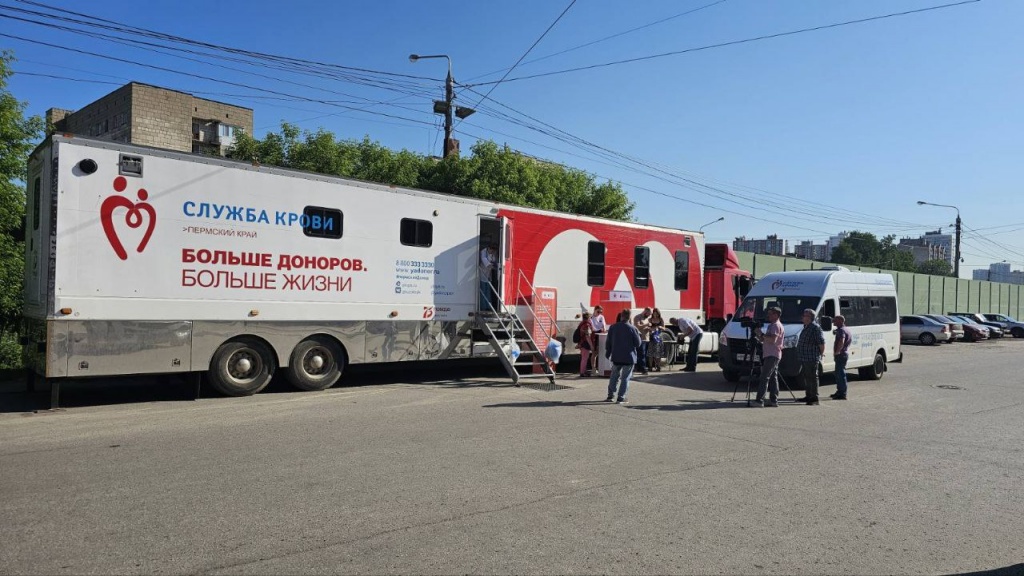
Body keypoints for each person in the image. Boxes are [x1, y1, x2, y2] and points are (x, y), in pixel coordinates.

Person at [605, 310, 641, 404]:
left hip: (616, 356)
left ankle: (610, 396)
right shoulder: (633, 328)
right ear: (629, 317)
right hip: (628, 357)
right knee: (625, 378)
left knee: (614, 376)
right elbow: (638, 343)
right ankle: (621, 397)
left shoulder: (613, 327)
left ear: (621, 316)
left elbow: (608, 342)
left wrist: (608, 353)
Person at [752, 306, 785, 407]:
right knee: (772, 377)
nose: (768, 315)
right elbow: (765, 340)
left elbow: (772, 340)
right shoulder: (772, 325)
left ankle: (759, 400)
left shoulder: (775, 325)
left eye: (770, 314)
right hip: (772, 354)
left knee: (764, 377)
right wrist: (758, 334)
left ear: (776, 315)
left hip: (772, 354)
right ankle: (773, 400)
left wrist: (761, 334)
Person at [797, 308, 826, 405]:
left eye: (804, 315)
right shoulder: (806, 326)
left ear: (809, 317)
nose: (802, 317)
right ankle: (808, 395)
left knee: (813, 377)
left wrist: (821, 354)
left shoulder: (815, 328)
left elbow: (821, 343)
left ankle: (814, 398)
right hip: (804, 357)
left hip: (812, 357)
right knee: (806, 377)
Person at [831, 314, 852, 400]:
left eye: (835, 320)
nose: (833, 322)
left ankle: (842, 393)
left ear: (840, 321)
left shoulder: (841, 331)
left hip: (841, 354)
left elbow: (841, 341)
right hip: (844, 353)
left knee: (840, 374)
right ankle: (839, 391)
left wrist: (837, 351)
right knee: (839, 373)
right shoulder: (846, 329)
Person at [632, 307, 652, 375]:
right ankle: (643, 368)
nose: (649, 316)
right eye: (648, 314)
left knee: (644, 354)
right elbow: (637, 326)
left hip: (646, 338)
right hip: (640, 338)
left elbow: (644, 327)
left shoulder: (647, 319)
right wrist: (646, 325)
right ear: (645, 311)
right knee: (641, 354)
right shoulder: (637, 317)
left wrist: (649, 328)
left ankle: (639, 367)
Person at [576, 312, 596, 377]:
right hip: (585, 343)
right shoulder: (587, 325)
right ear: (589, 318)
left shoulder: (582, 323)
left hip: (581, 343)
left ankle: (583, 371)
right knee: (585, 358)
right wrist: (591, 345)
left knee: (584, 357)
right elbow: (587, 336)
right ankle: (582, 372)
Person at [479, 244, 497, 312]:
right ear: (488, 248)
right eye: (491, 250)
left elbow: (494, 261)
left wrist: (495, 265)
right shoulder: (483, 252)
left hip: (488, 275)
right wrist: (494, 267)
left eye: (493, 251)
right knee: (483, 291)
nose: (492, 252)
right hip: (482, 274)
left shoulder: (492, 253)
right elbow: (485, 262)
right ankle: (483, 307)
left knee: (488, 291)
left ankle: (489, 306)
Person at [589, 306, 607, 374]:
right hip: (594, 335)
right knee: (594, 352)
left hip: (601, 334)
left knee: (601, 352)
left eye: (601, 312)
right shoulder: (591, 317)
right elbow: (591, 328)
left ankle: (601, 367)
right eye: (598, 311)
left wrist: (604, 330)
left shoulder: (601, 317)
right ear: (595, 310)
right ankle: (593, 368)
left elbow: (604, 325)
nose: (600, 313)